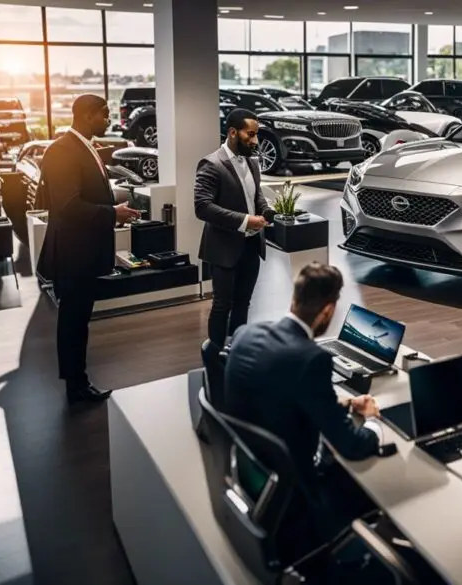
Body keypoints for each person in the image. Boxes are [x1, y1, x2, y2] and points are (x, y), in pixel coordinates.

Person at [223, 263, 381, 569]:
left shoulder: (245, 334)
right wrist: (372, 420)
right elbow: (352, 445)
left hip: (251, 471)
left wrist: (342, 405)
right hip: (297, 494)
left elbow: (275, 390)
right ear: (327, 312)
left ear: (294, 298)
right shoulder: (312, 359)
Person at [36, 94, 141, 405]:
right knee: (73, 321)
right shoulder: (62, 151)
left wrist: (113, 209)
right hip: (73, 253)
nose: (108, 120)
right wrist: (113, 214)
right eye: (104, 114)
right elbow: (68, 206)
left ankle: (77, 381)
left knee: (79, 319)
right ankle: (76, 386)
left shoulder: (84, 147)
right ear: (86, 115)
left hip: (83, 251)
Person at [194, 108, 275, 346]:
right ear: (232, 132)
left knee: (243, 303)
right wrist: (245, 220)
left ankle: (237, 352)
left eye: (256, 134)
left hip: (251, 246)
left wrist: (265, 209)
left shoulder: (252, 162)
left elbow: (255, 195)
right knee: (222, 305)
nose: (255, 140)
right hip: (223, 248)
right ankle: (215, 355)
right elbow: (202, 207)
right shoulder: (211, 164)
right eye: (250, 134)